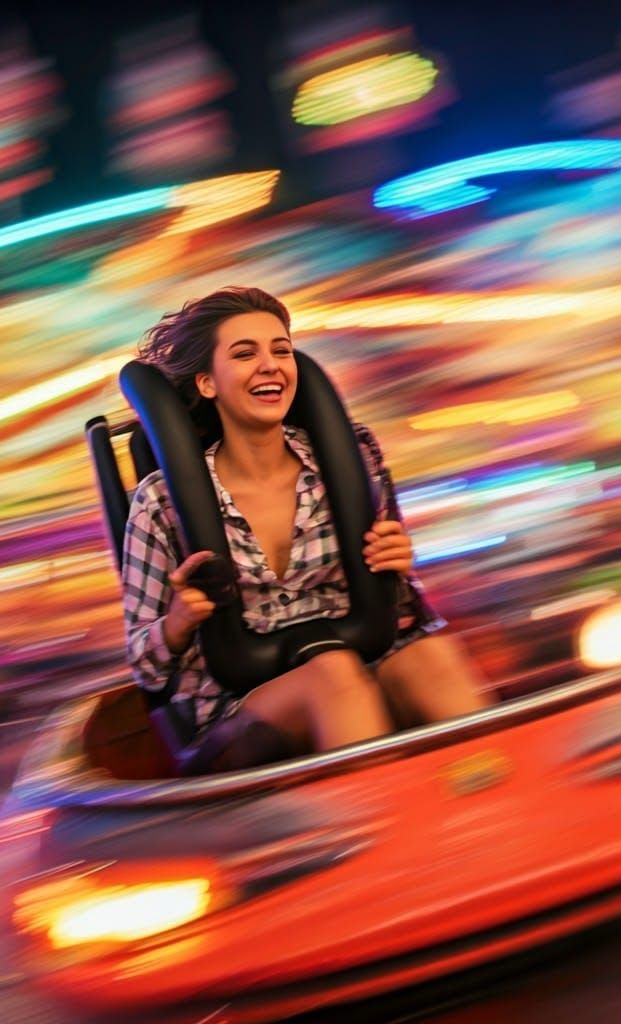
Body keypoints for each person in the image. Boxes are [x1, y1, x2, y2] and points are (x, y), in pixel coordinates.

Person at [121, 286, 491, 774]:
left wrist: (399, 567)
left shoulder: (351, 459)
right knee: (331, 674)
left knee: (434, 657)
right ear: (208, 383)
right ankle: (380, 830)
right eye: (245, 353)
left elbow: (404, 609)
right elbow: (147, 668)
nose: (271, 365)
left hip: (364, 656)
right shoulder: (160, 502)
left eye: (281, 350)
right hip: (242, 702)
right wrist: (178, 620)